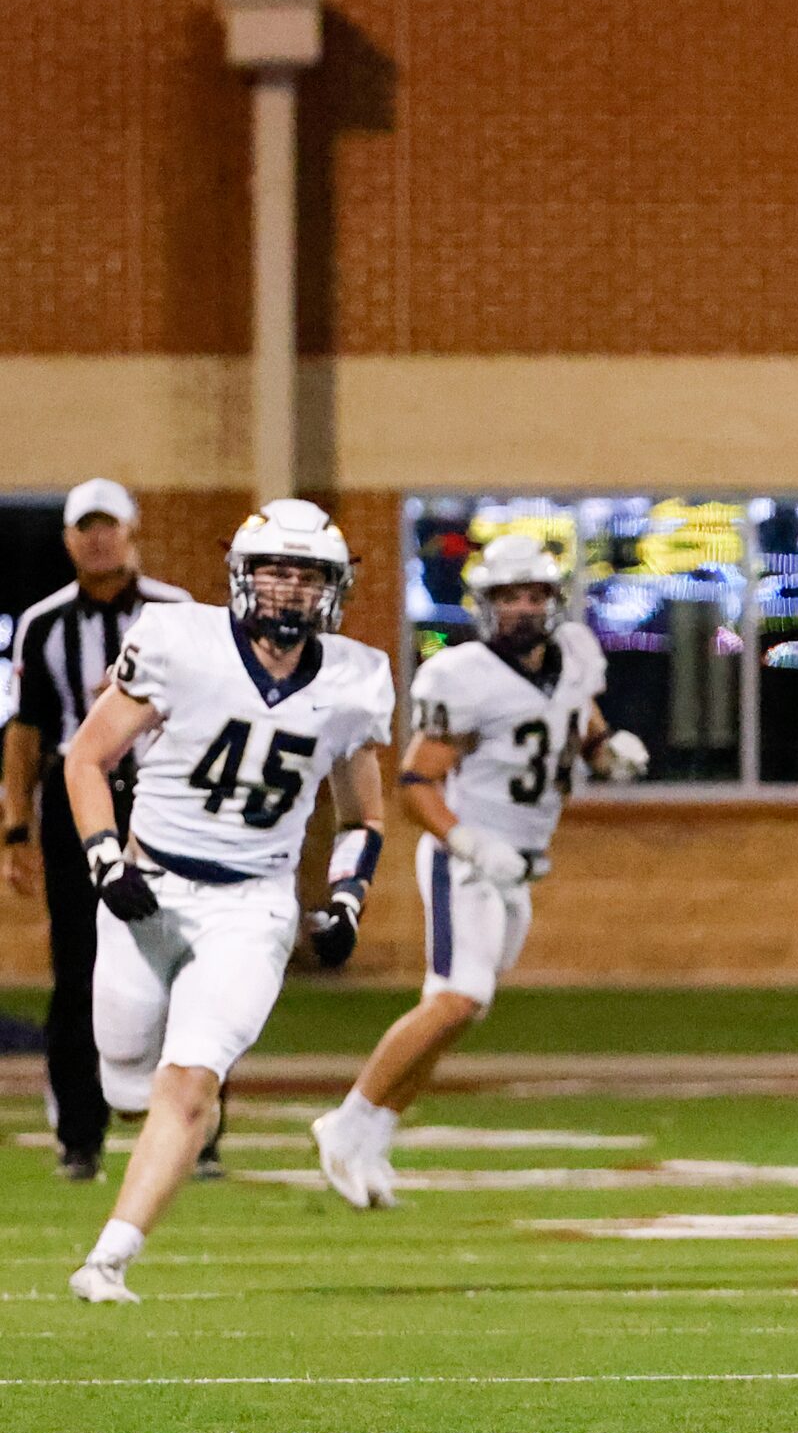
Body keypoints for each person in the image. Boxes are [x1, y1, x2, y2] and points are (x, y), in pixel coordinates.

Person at [61, 501, 393, 1302]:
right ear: (243, 577)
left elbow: (365, 816)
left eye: (306, 574)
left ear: (333, 588)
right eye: (274, 570)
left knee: (191, 1084)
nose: (288, 589)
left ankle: (109, 1256)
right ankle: (157, 1129)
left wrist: (349, 896)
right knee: (125, 1074)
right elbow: (86, 758)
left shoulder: (354, 678)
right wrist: (106, 860)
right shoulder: (179, 641)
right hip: (148, 890)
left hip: (253, 907)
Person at [311, 534, 648, 1208]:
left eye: (532, 596)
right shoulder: (460, 674)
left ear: (553, 602)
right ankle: (347, 1120)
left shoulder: (576, 653)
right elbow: (416, 781)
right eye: (507, 598)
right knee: (457, 998)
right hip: (466, 860)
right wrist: (466, 843)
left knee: (463, 1009)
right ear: (484, 606)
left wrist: (605, 749)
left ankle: (374, 1130)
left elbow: (578, 718)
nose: (522, 609)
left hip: (519, 864)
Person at [1, 479, 189, 1182]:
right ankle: (80, 1135)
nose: (98, 538)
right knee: (78, 968)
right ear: (69, 538)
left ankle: (195, 1128)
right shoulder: (44, 623)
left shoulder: (177, 615)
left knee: (187, 958)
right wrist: (16, 828)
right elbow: (28, 730)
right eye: (86, 527)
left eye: (109, 525)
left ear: (133, 531)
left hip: (165, 800)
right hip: (79, 803)